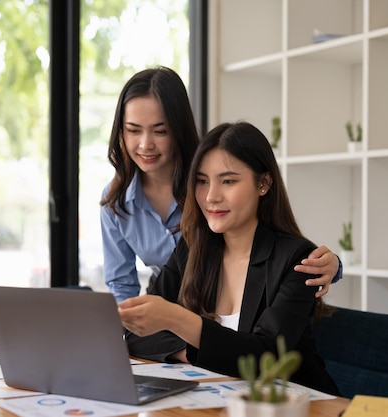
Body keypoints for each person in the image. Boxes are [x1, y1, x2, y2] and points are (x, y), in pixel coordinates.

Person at [118, 121, 341, 395]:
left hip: (297, 406)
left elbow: (265, 359)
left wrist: (177, 320)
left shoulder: (299, 260)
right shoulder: (192, 248)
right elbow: (137, 335)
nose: (211, 196)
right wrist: (194, 351)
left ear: (264, 183)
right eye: (202, 181)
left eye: (228, 181)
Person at [100, 66, 341, 303]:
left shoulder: (211, 186)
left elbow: (276, 240)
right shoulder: (115, 201)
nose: (145, 145)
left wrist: (333, 265)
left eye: (160, 131)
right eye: (133, 130)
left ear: (178, 129)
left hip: (232, 311)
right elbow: (121, 284)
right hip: (168, 310)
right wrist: (126, 334)